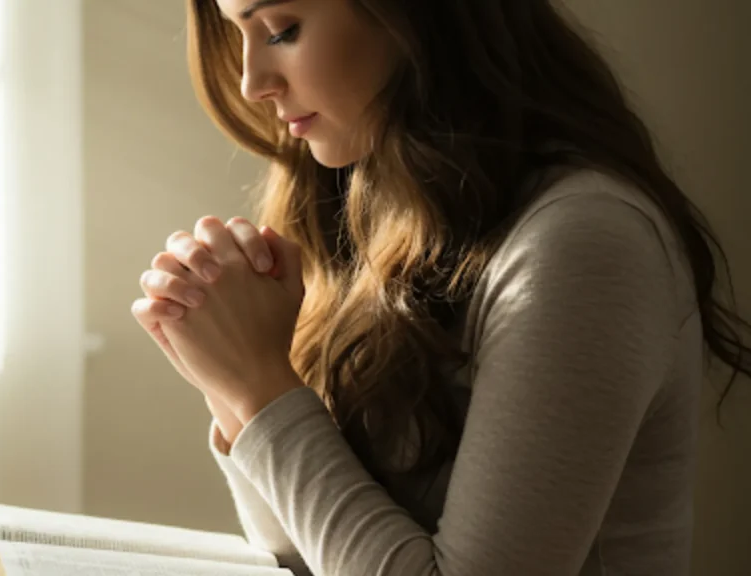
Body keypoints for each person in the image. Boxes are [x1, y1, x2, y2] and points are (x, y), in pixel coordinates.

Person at [130, 1, 749, 574]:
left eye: (282, 30)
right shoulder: (375, 212)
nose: (251, 83)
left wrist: (261, 388)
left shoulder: (584, 240)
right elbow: (307, 556)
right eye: (236, 35)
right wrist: (231, 385)